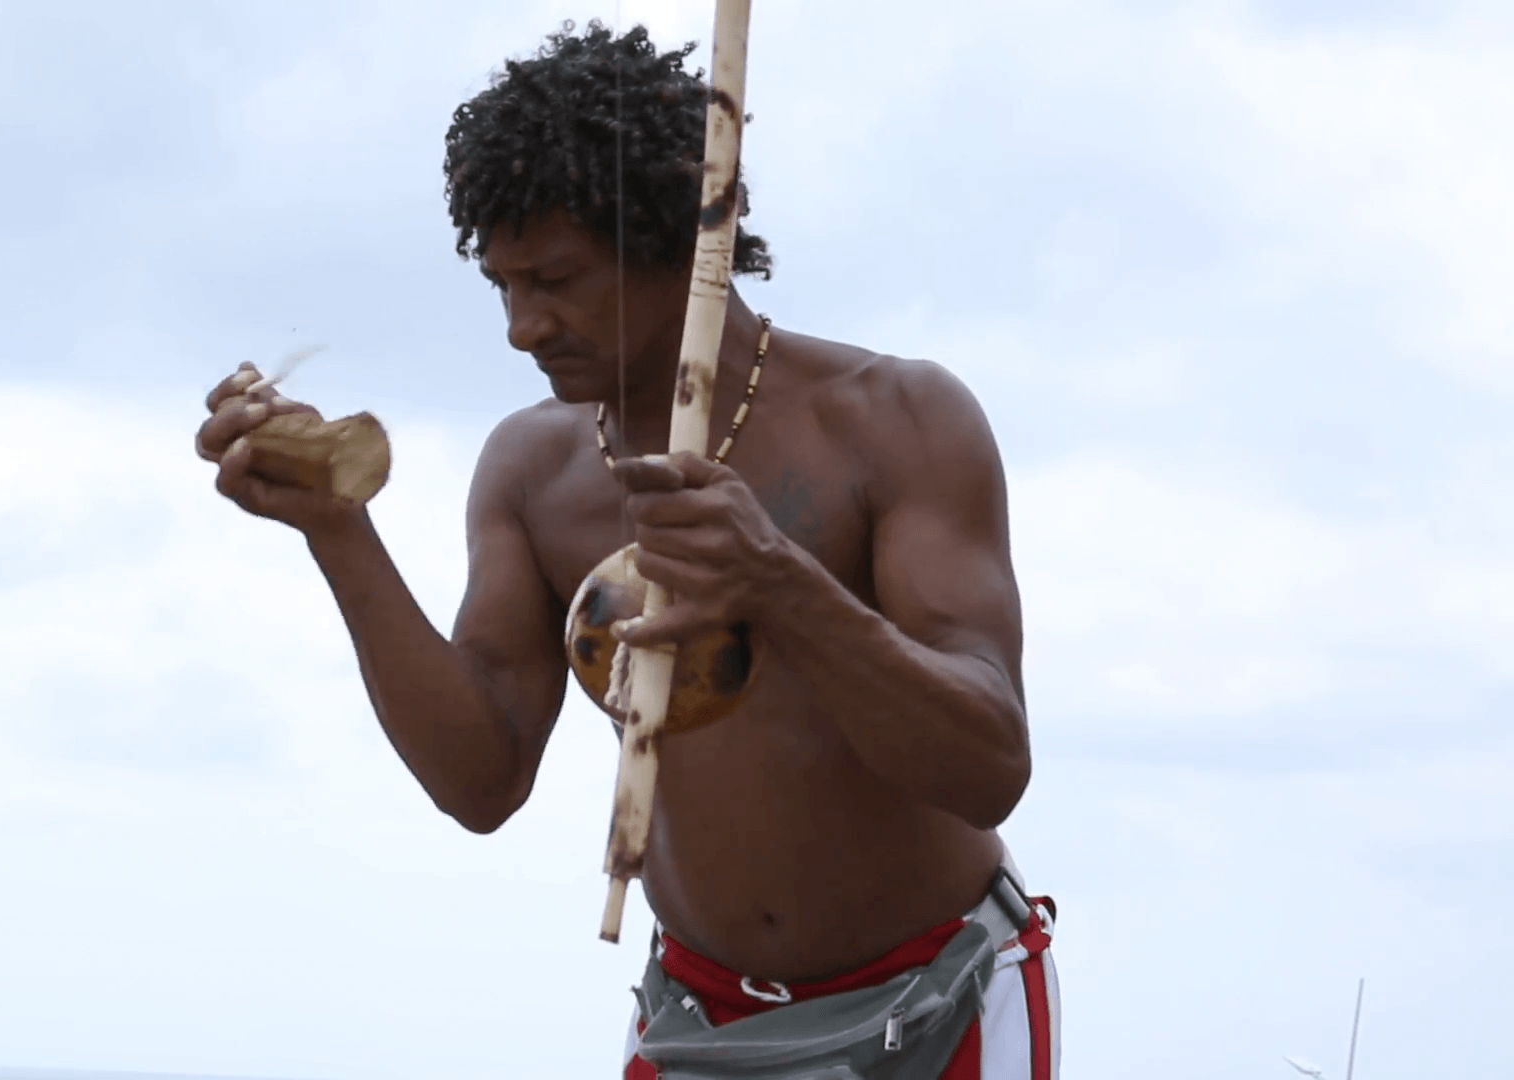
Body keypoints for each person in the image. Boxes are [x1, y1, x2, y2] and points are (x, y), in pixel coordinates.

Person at [195, 20, 1059, 1080]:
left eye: (554, 279)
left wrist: (780, 585)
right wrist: (338, 530)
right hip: (700, 1019)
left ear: (682, 237)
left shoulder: (896, 421)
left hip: (939, 1002)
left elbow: (988, 764)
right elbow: (480, 780)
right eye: (503, 285)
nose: (521, 326)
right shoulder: (535, 472)